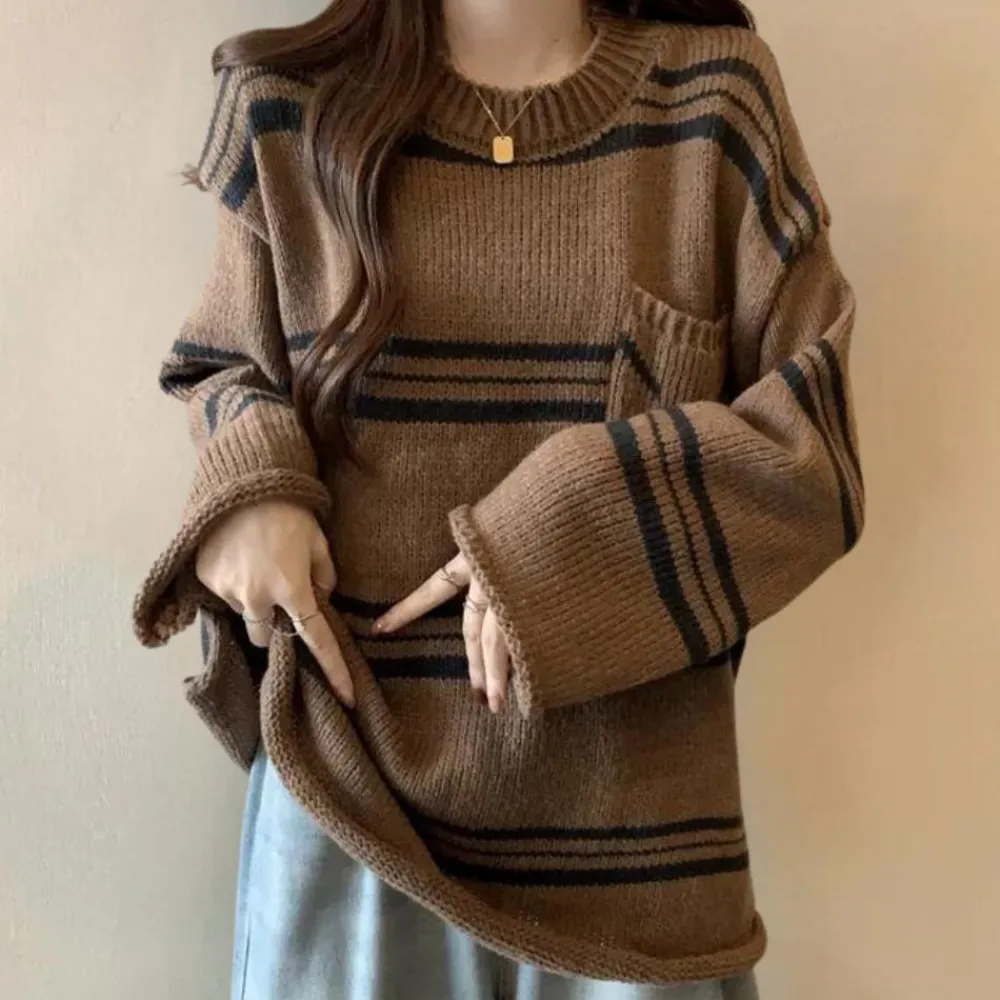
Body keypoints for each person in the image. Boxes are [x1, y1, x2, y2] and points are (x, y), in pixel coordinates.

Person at [132, 0, 864, 997]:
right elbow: (223, 369)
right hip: (352, 822)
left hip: (635, 863)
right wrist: (247, 488)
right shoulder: (284, 110)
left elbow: (811, 454)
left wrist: (557, 540)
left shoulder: (716, 103)